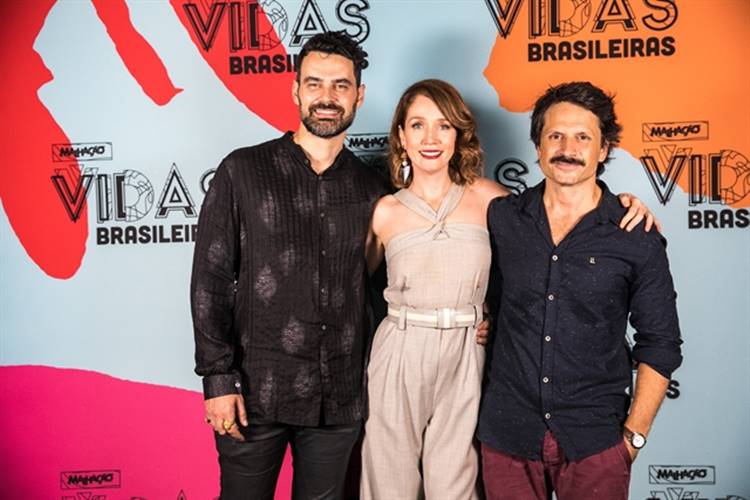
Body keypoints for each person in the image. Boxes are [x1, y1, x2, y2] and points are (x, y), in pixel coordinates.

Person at [360, 79, 657, 499]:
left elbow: (551, 222)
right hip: (401, 345)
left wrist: (623, 203)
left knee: (455, 482)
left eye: (443, 126)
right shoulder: (383, 212)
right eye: (418, 125)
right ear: (401, 136)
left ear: (459, 134)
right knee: (388, 478)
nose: (430, 138)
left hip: (466, 349)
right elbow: (355, 288)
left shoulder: (491, 201)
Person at [190, 31, 388, 499]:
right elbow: (210, 282)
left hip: (339, 398)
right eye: (314, 83)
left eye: (341, 85)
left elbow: (386, 290)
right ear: (296, 90)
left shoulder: (374, 189)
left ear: (359, 95)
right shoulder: (242, 171)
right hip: (253, 393)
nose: (327, 97)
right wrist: (218, 379)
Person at [477, 81, 683, 500]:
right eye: (555, 135)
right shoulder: (501, 218)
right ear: (537, 145)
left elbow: (660, 344)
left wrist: (633, 438)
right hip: (507, 433)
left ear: (604, 149)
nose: (567, 148)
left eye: (583, 137)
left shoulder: (635, 234)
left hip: (596, 441)